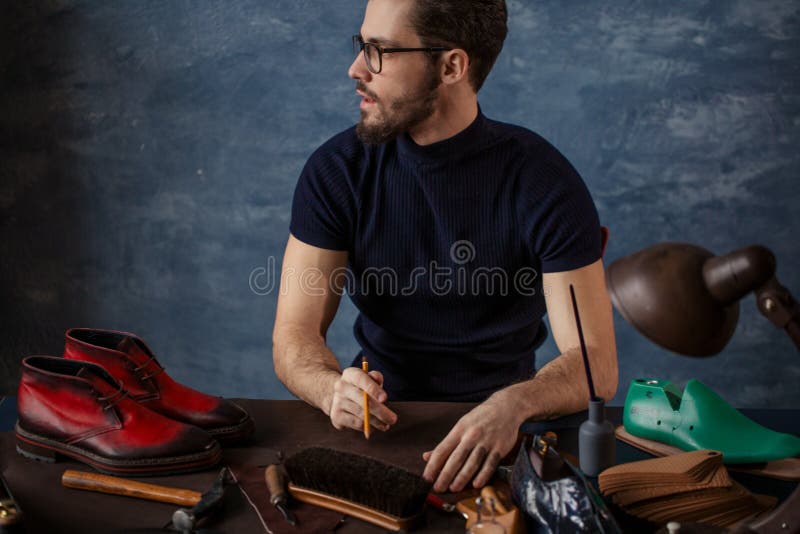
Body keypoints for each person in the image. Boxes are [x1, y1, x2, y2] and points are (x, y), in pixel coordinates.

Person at [272, 0, 618, 494]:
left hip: (510, 429)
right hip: (380, 425)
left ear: (452, 65)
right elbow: (293, 337)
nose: (355, 69)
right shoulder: (336, 172)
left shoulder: (545, 183)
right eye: (361, 46)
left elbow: (595, 364)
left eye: (380, 51)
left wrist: (513, 405)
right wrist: (330, 389)